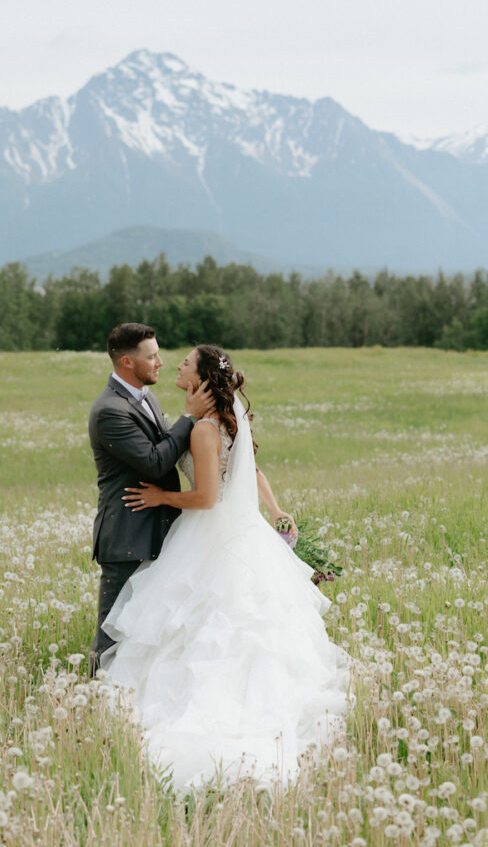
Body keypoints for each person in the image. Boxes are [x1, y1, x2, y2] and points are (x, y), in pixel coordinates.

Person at [101, 345, 351, 792]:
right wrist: (275, 510)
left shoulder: (202, 430)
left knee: (201, 620)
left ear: (200, 378)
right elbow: (250, 470)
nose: (174, 366)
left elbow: (208, 498)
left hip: (208, 533)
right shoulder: (226, 420)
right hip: (242, 535)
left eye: (183, 364)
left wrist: (162, 499)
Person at [88, 323, 213, 678]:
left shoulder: (146, 397)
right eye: (152, 356)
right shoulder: (110, 410)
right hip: (127, 536)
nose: (161, 362)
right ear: (127, 362)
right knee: (112, 632)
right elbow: (155, 461)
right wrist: (189, 417)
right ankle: (95, 700)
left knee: (148, 633)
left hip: (158, 532)